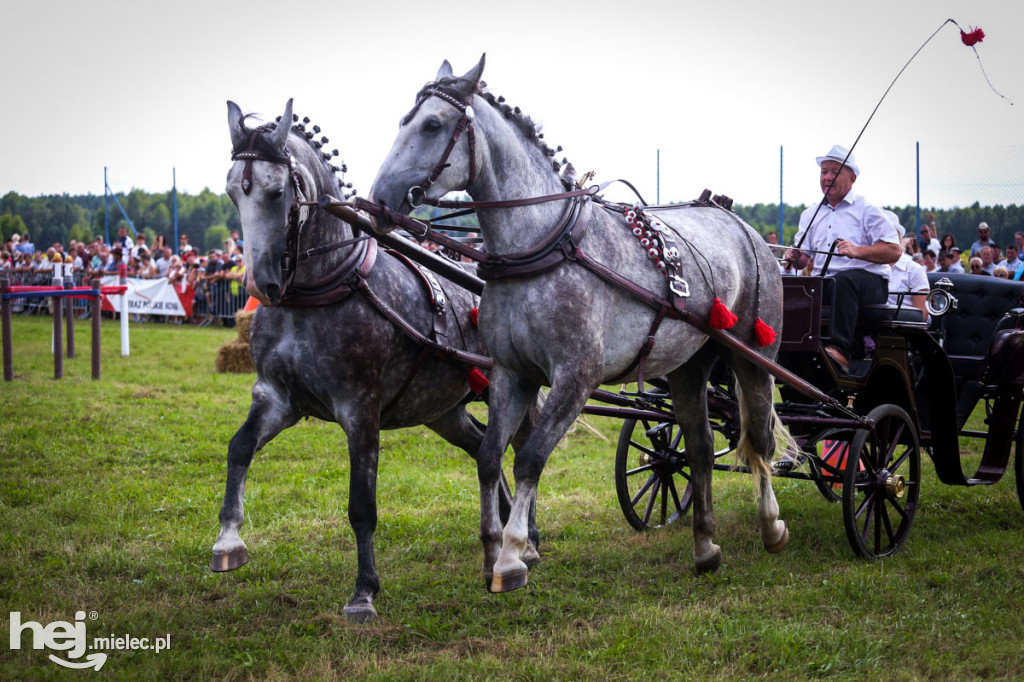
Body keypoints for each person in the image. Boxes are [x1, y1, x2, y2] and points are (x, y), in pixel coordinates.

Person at [785, 145, 900, 372]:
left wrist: (858, 251)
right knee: (794, 287)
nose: (827, 178)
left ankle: (841, 350)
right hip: (827, 285)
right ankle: (789, 350)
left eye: (834, 172)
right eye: (824, 172)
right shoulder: (810, 214)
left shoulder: (868, 210)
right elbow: (803, 261)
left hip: (871, 284)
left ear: (852, 178)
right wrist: (795, 256)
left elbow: (894, 251)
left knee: (843, 281)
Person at [885, 212, 929, 322]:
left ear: (898, 239)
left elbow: (922, 314)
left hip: (904, 331)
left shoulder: (915, 270)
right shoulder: (870, 267)